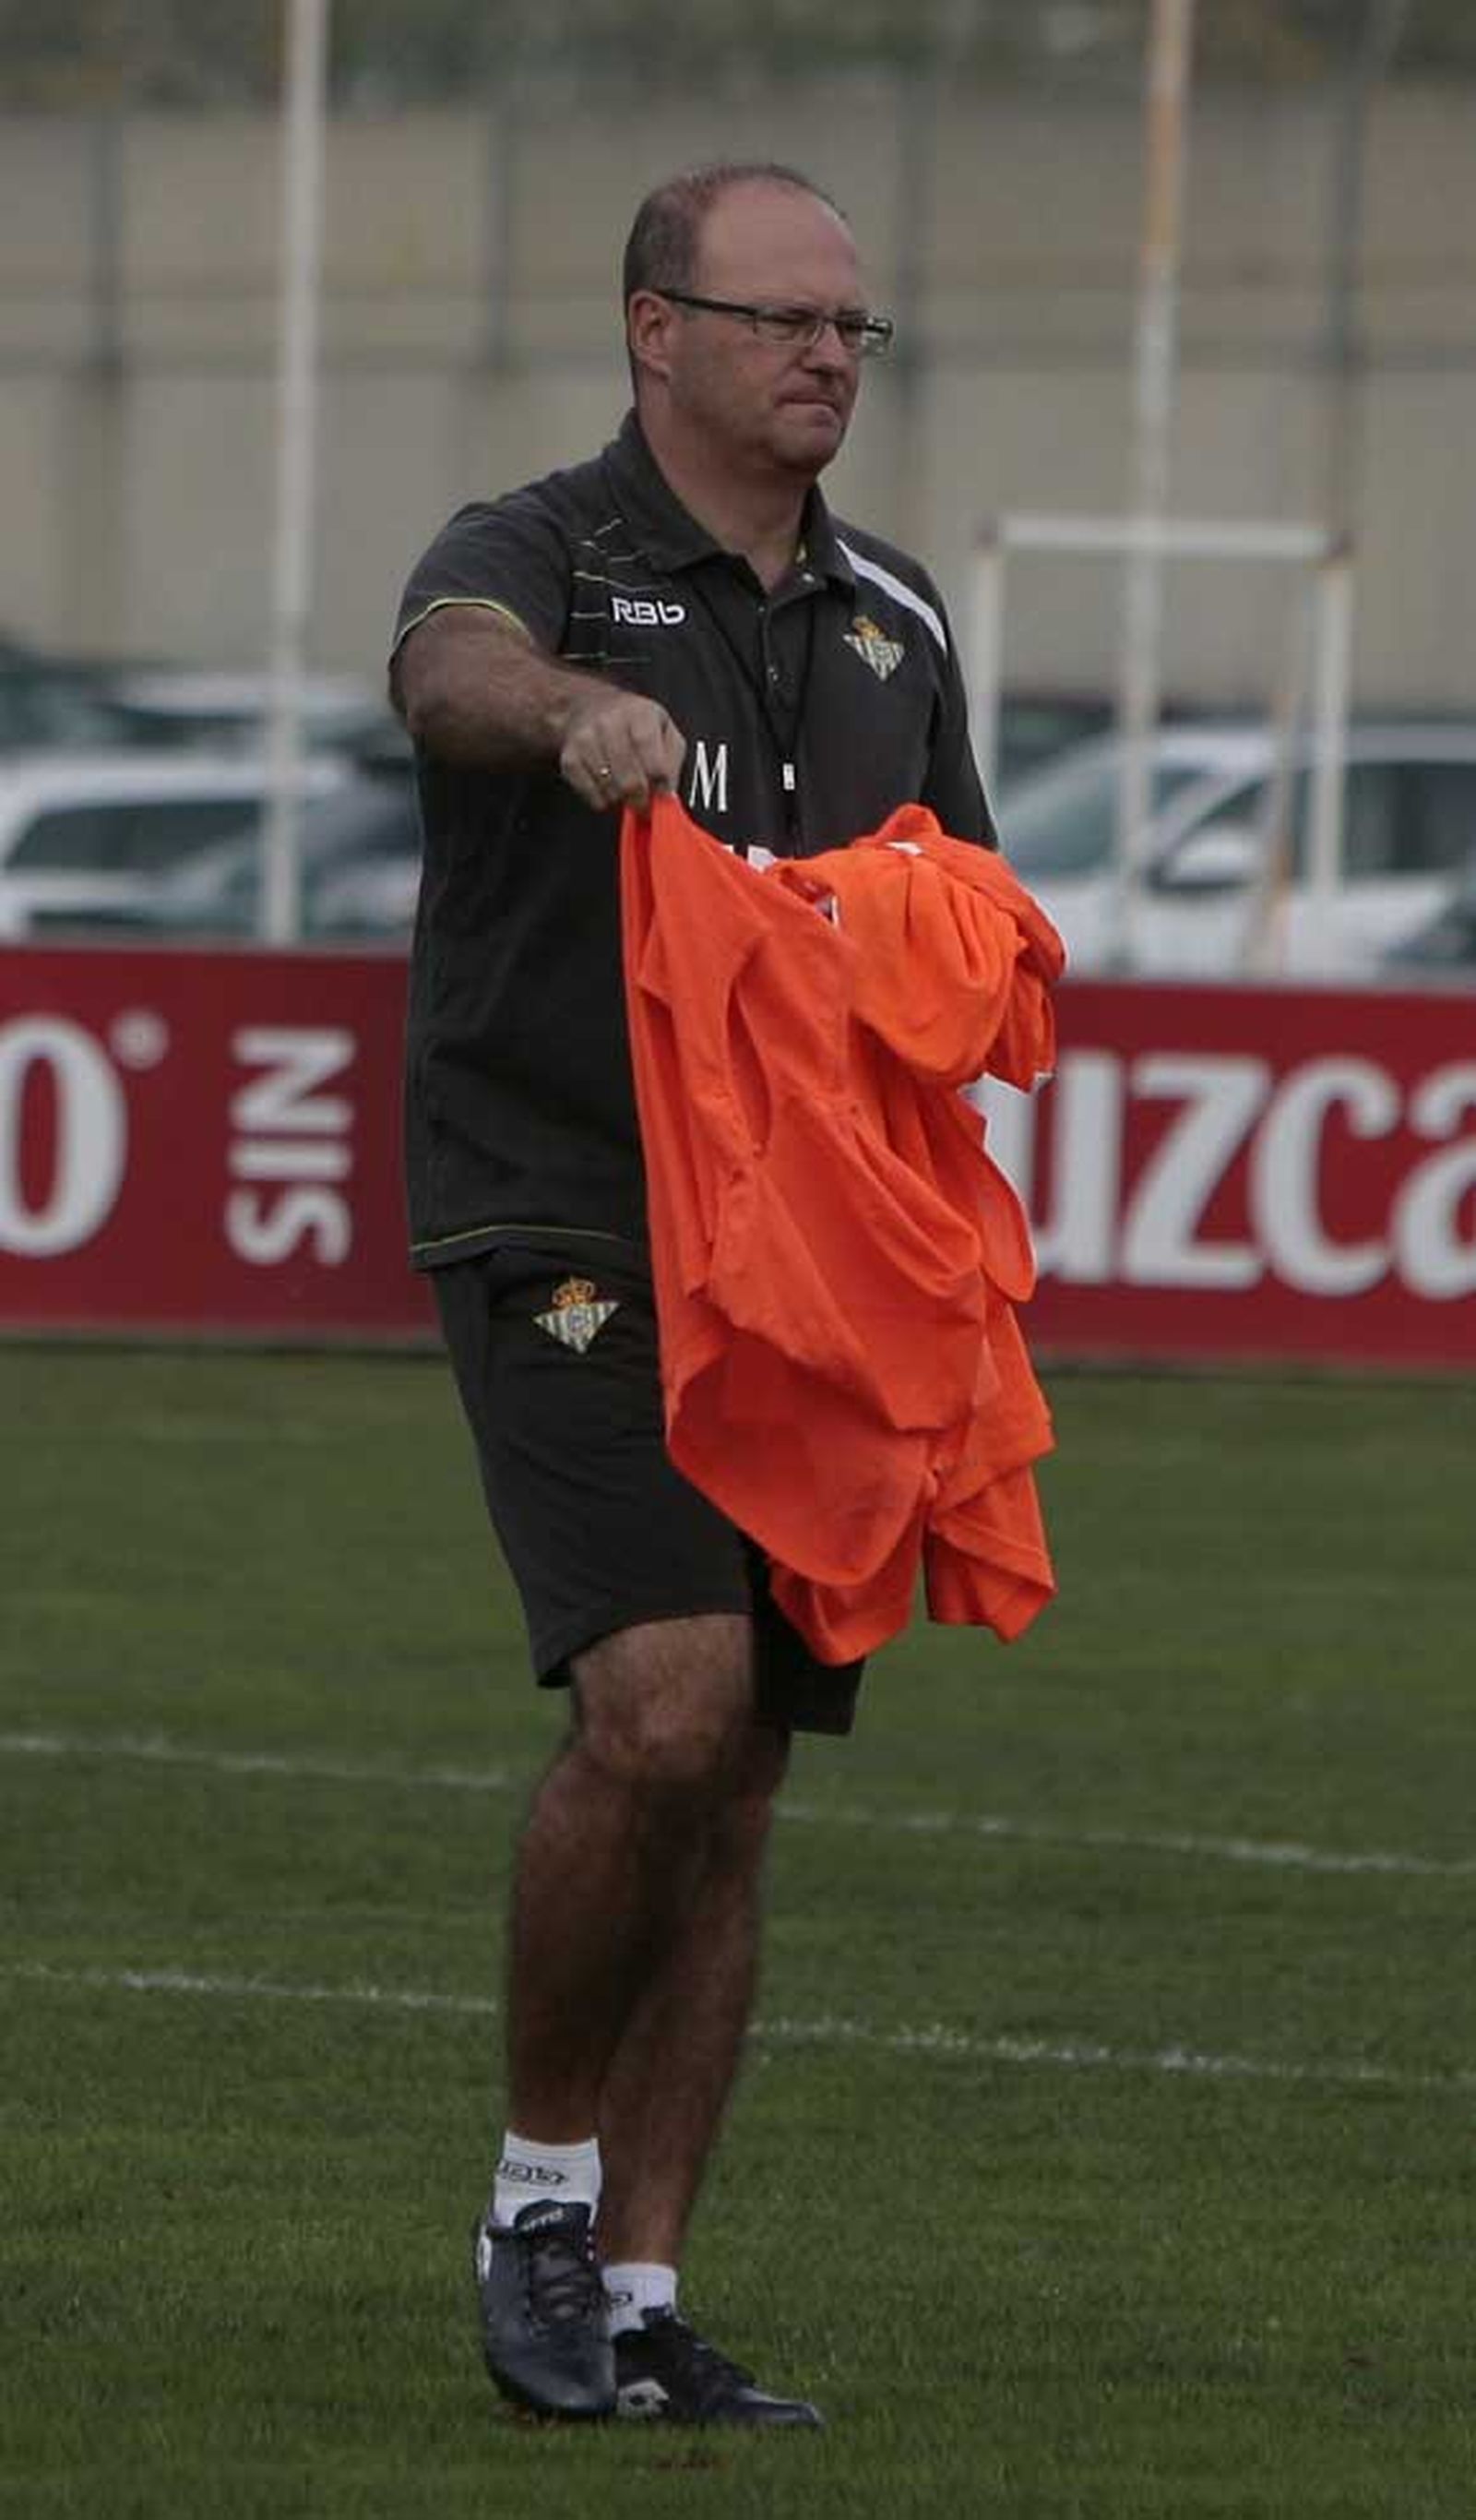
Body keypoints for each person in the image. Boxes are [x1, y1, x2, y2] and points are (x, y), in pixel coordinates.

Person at [389, 160, 996, 2430]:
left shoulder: (893, 616)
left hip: (806, 1259)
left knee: (730, 1775)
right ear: (657, 331)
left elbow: (960, 900)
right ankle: (538, 2201)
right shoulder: (539, 551)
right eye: (782, 320)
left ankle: (640, 2297)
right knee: (658, 1703)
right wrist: (566, 713)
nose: (828, 356)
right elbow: (442, 673)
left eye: (851, 327)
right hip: (563, 1209)